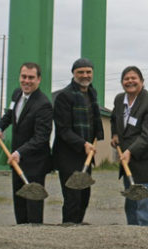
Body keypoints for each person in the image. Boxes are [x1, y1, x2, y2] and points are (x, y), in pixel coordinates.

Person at [0, 62, 53, 224]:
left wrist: (19, 152)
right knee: (19, 202)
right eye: (24, 77)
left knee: (33, 204)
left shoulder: (43, 104)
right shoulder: (17, 94)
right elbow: (9, 115)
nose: (27, 81)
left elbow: (41, 137)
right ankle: (20, 234)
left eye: (31, 77)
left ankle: (34, 237)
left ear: (39, 80)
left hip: (34, 164)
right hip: (17, 161)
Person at [110, 66, 148, 227]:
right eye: (126, 79)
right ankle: (133, 238)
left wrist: (130, 151)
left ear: (142, 81)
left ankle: (146, 240)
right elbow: (115, 119)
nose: (130, 81)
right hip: (128, 163)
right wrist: (114, 135)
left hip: (145, 163)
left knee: (144, 204)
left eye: (133, 78)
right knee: (131, 204)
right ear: (122, 83)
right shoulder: (119, 100)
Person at [52, 58, 104, 224]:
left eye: (88, 72)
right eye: (80, 72)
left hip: (86, 155)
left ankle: (78, 227)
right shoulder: (64, 96)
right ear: (73, 74)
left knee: (84, 196)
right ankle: (69, 229)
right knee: (72, 197)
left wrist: (97, 135)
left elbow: (95, 120)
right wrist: (83, 144)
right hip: (68, 155)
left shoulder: (92, 93)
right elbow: (63, 130)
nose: (85, 75)